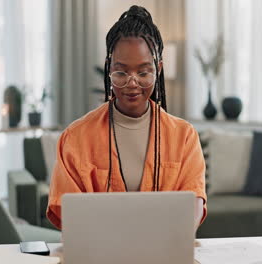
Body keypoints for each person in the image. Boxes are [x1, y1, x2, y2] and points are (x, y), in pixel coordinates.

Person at [47, 5, 206, 231]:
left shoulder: (184, 136)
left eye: (143, 72)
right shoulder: (75, 137)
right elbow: (68, 213)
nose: (132, 82)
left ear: (158, 70)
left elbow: (194, 205)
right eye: (121, 72)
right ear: (109, 70)